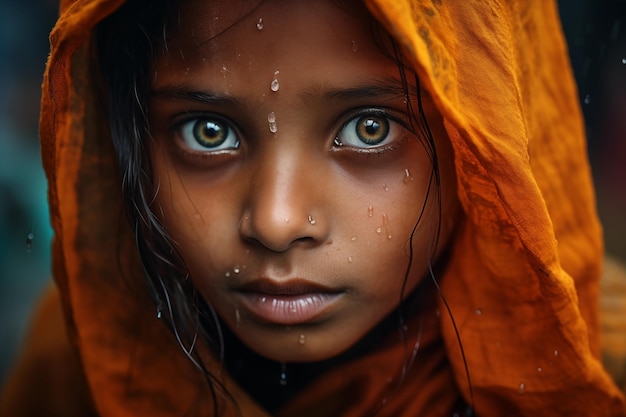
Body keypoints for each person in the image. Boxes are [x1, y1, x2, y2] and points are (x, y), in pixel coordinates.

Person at [1, 0, 625, 416]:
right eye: (208, 131)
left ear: (484, 141)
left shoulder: (604, 375)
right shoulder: (76, 366)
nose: (276, 223)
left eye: (371, 128)